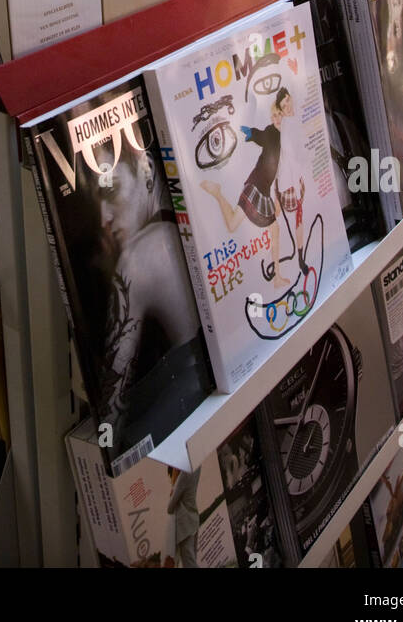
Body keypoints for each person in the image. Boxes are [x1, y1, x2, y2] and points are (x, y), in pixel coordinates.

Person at [97, 143, 208, 451]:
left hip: (185, 415)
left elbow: (110, 412)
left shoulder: (138, 257)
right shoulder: (199, 213)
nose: (102, 216)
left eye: (111, 190)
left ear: (146, 171)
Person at [201, 85, 304, 291]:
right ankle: (218, 193)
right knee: (231, 225)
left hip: (265, 191)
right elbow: (261, 135)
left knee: (275, 229)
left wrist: (275, 198)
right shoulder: (271, 132)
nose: (276, 119)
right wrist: (251, 134)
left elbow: (278, 169)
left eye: (279, 115)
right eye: (274, 115)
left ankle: (277, 277)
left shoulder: (285, 136)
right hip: (255, 186)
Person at [165, 466, 201, 568]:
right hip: (193, 519)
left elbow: (170, 507)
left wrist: (173, 489)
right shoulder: (197, 467)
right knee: (192, 560)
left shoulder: (184, 475)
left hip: (185, 527)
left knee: (189, 564)